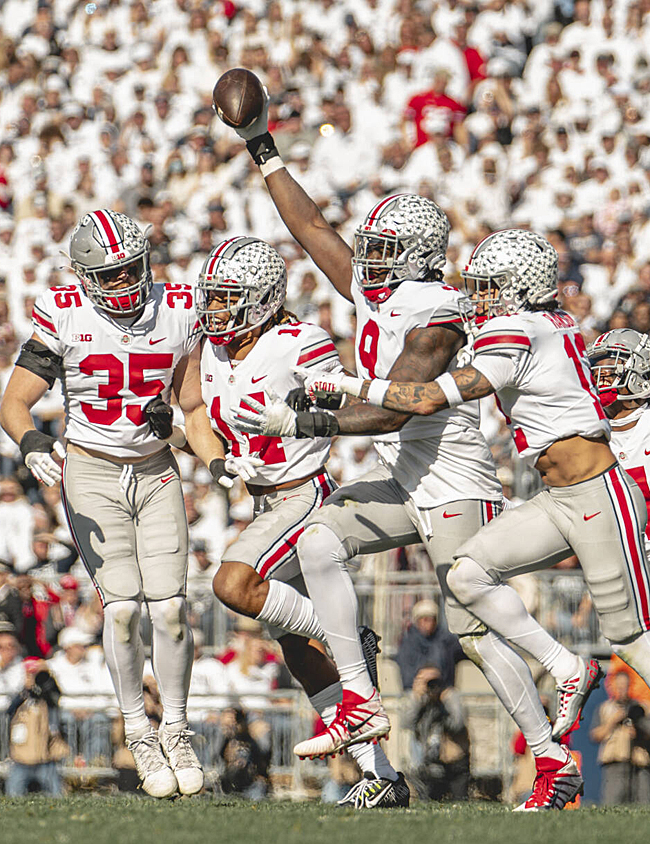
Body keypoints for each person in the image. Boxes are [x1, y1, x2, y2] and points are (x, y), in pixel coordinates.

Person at [220, 94, 587, 811]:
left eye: (387, 250)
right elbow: (309, 226)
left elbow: (396, 404)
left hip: (454, 483)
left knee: (471, 631)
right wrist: (263, 146)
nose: (371, 262)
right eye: (374, 247)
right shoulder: (378, 290)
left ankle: (550, 758)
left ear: (421, 255)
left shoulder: (441, 310)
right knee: (320, 541)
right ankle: (358, 698)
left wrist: (302, 425)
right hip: (400, 481)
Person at [302, 228, 650, 809]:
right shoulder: (547, 322)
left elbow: (426, 399)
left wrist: (343, 385)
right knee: (467, 575)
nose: (479, 298)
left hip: (597, 494)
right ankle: (567, 666)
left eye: (490, 289)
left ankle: (570, 671)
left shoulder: (522, 329)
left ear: (521, 288)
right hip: (557, 497)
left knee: (633, 640)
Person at [151, 235, 409, 808]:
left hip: (305, 495)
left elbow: (338, 408)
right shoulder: (212, 349)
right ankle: (384, 779)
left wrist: (295, 415)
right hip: (263, 499)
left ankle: (346, 637)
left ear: (265, 298)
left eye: (227, 298)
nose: (215, 309)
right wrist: (217, 460)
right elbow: (195, 414)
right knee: (297, 654)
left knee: (231, 584)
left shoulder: (300, 342)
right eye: (212, 297)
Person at [0, 209, 207, 798]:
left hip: (156, 469)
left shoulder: (177, 307)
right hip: (89, 467)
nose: (124, 284)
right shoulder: (64, 310)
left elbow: (190, 406)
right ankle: (138, 731)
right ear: (86, 277)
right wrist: (35, 441)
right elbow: (15, 401)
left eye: (131, 270)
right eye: (109, 275)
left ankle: (177, 726)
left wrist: (200, 448)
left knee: (168, 608)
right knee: (120, 610)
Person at [405, 664, 470, 802]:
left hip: (453, 762)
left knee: (458, 801)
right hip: (427, 762)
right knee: (429, 801)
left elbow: (457, 724)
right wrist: (418, 700)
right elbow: (406, 724)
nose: (432, 685)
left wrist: (443, 704)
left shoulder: (450, 696)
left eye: (435, 680)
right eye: (426, 681)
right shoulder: (418, 698)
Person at [591, 670, 650, 804]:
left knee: (642, 804)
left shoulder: (641, 708)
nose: (622, 690)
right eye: (619, 686)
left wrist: (638, 731)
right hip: (614, 763)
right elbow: (595, 736)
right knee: (612, 803)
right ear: (612, 687)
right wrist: (613, 721)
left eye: (625, 686)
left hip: (638, 764)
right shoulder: (605, 708)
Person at [396, 599, 463, 691]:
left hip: (443, 688)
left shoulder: (447, 640)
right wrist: (421, 678)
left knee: (454, 701)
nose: (429, 624)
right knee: (410, 703)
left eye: (432, 619)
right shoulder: (408, 642)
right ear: (417, 621)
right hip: (416, 688)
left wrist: (438, 675)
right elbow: (405, 669)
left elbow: (454, 658)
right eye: (425, 620)